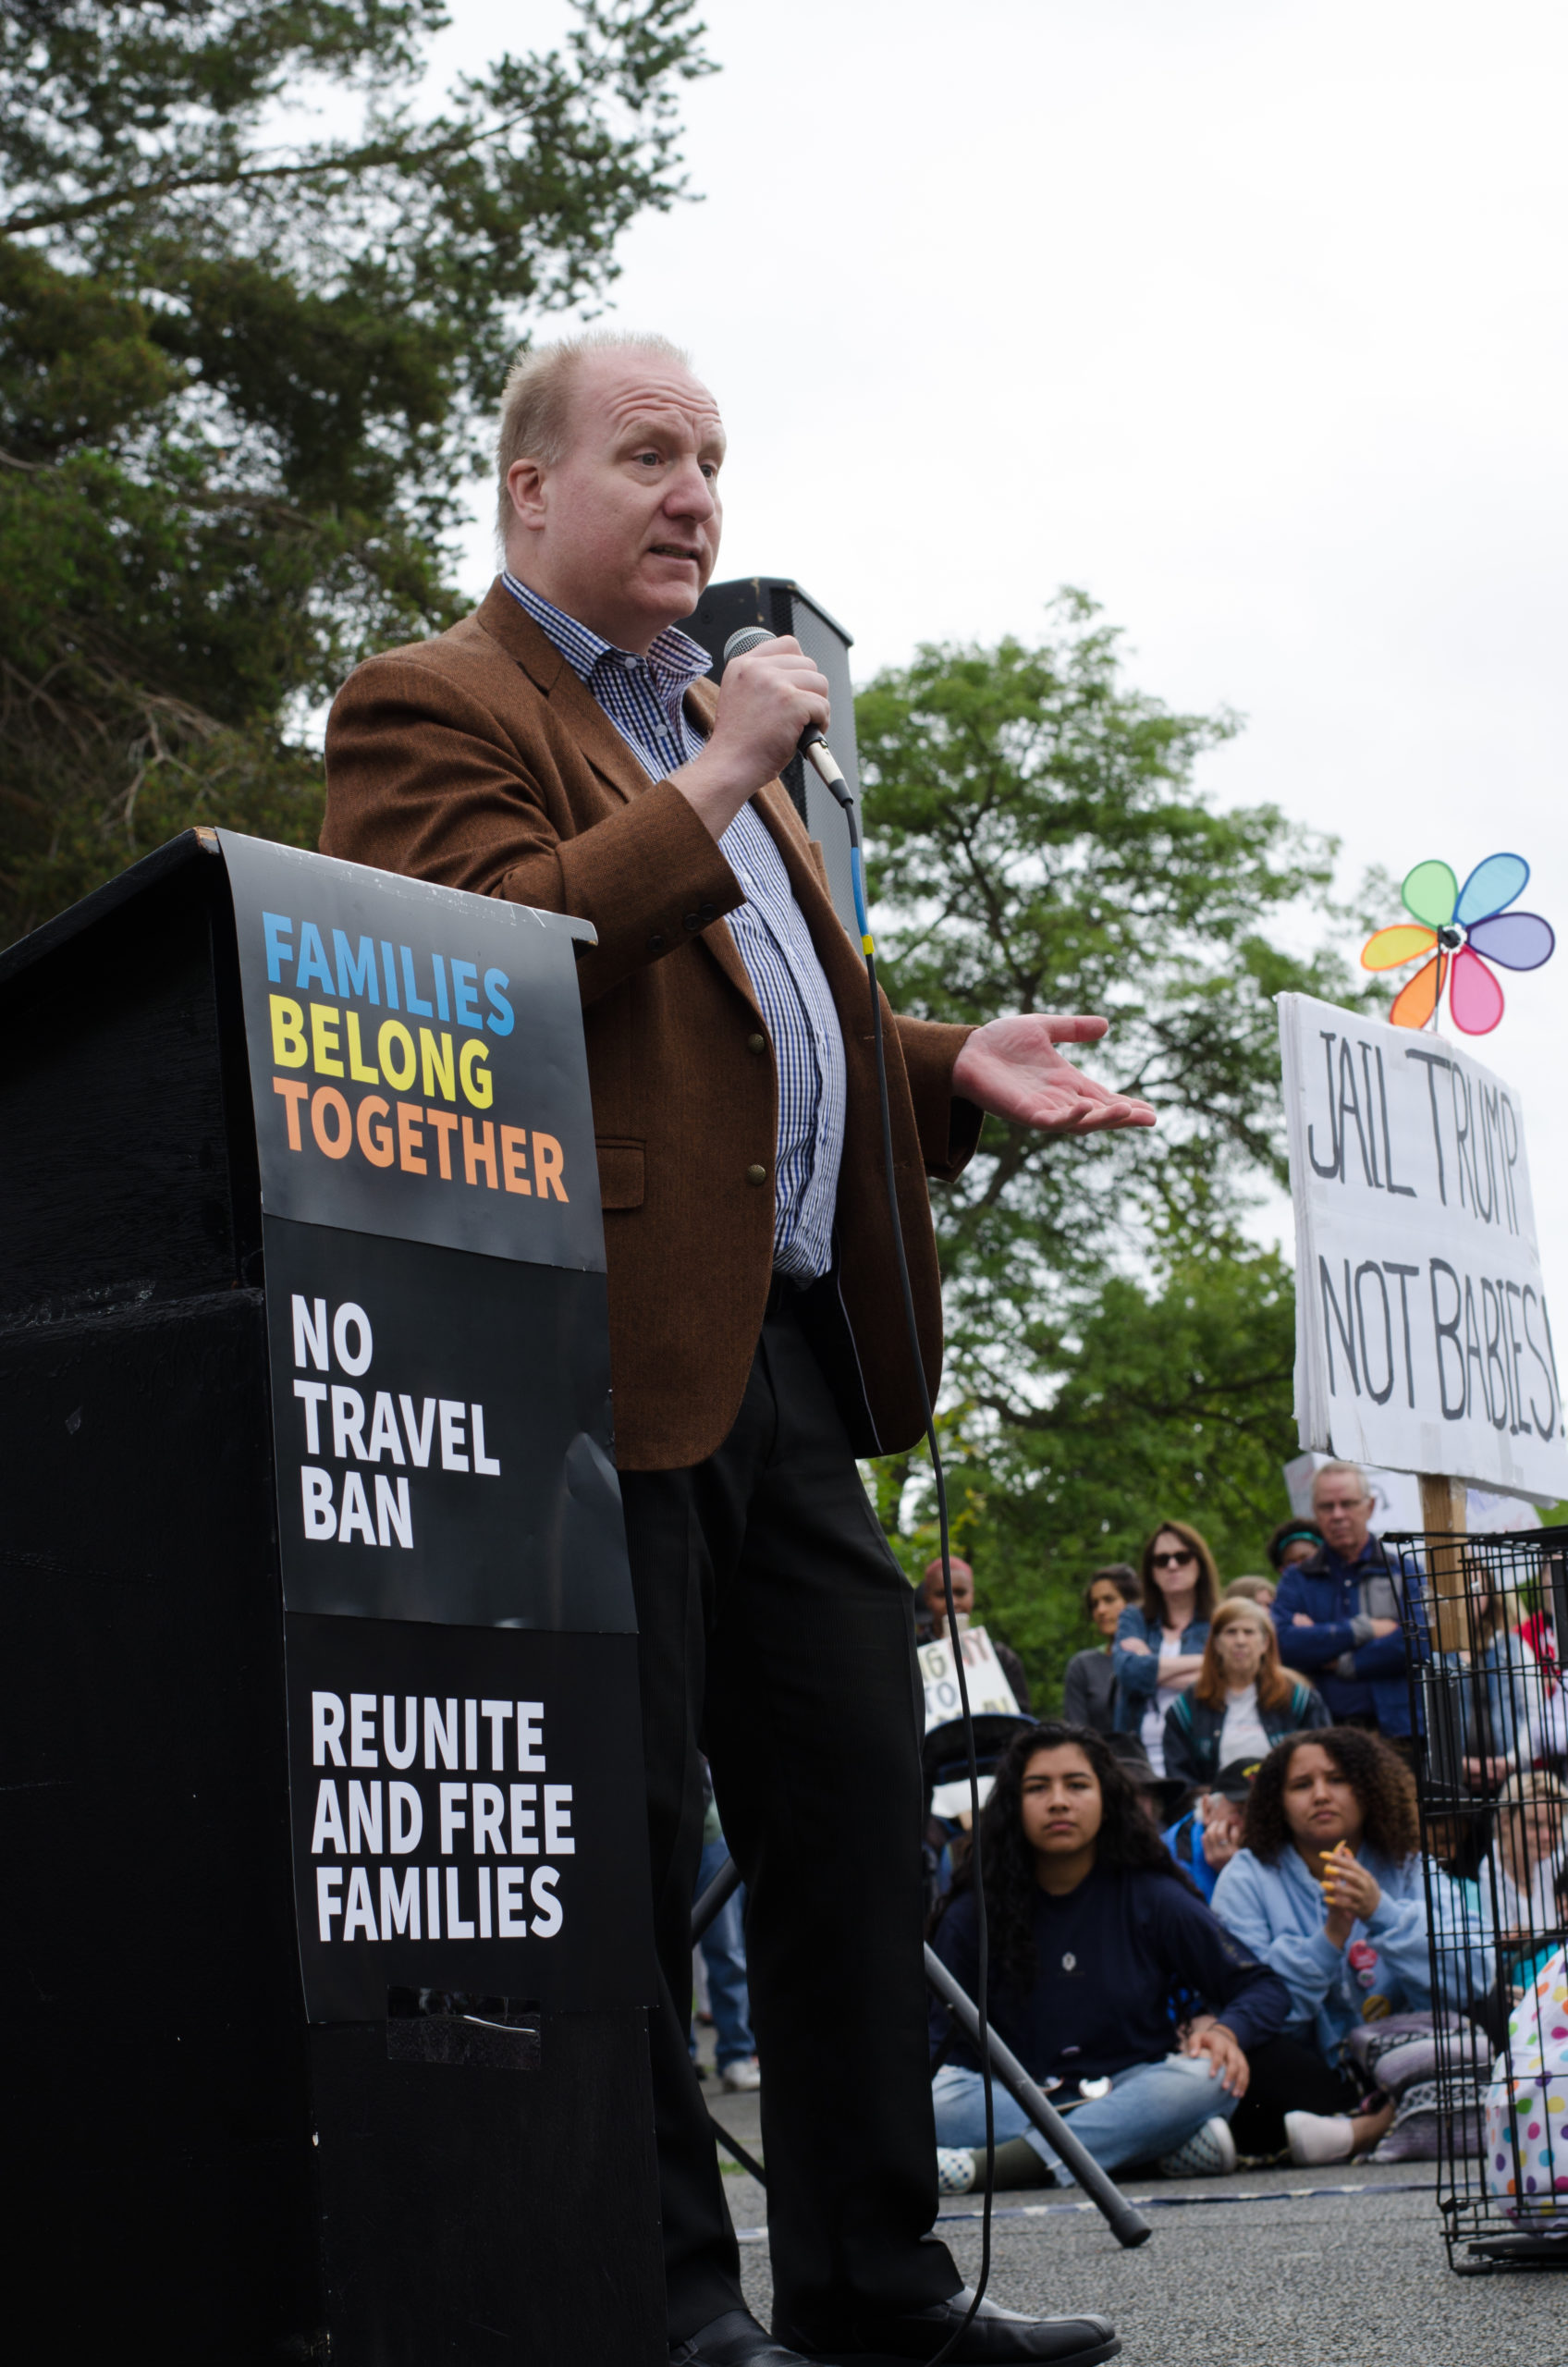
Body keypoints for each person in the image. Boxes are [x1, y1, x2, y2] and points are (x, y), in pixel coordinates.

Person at [321, 331, 1152, 2367]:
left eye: (712, 458)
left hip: (788, 1363)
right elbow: (476, 963)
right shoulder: (436, 701)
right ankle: (674, 2305)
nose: (695, 494)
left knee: (860, 1816)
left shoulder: (704, 725)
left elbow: (763, 1024)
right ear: (528, 491)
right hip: (577, 1358)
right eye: (645, 456)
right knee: (617, 1855)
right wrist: (714, 778)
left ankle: (871, 2285)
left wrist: (953, 1061)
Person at [927, 1723, 1290, 2193]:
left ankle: (987, 2169)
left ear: (1107, 1799)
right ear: (1013, 1804)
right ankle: (1145, 2150)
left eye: (1076, 1785)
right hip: (1011, 2096)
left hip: (1132, 2084)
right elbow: (938, 2046)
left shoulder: (1153, 1895)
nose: (1059, 1801)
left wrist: (1226, 2031)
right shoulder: (971, 1910)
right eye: (1038, 1787)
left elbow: (1261, 1986)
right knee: (932, 2101)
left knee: (1207, 2077)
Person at [1211, 1728, 1480, 2165]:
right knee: (1244, 2056)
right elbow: (1250, 2008)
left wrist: (1381, 1912)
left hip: (1415, 2057)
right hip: (1314, 2072)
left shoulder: (1409, 1864)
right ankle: (1390, 2123)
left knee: (1494, 2014)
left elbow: (1471, 1977)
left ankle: (1357, 2130)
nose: (1320, 1795)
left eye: (1337, 1780)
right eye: (1301, 1785)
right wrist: (1330, 1937)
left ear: (1369, 1787)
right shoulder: (1245, 1878)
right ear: (1277, 1801)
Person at [1270, 1463, 1423, 1748]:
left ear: (1370, 1506)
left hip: (1400, 1735)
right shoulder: (1297, 1578)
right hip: (1321, 1736)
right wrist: (1363, 1630)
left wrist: (1338, 1659)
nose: (1338, 1515)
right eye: (1327, 1506)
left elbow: (1418, 1643)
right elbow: (1283, 1644)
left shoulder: (1403, 1571)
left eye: (1348, 1504)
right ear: (1315, 1512)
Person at [1163, 1600, 1329, 1788]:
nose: (1240, 1641)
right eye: (1231, 1632)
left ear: (1265, 1643)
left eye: (1249, 1632)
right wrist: (1209, 1802)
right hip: (1215, 1810)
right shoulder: (1188, 1705)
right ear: (1216, 1643)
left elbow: (1322, 1760)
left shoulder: (1299, 1699)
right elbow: (1179, 1776)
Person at [1111, 1520, 1219, 1775]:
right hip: (1138, 1759)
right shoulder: (1134, 1618)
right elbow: (1129, 1674)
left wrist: (1151, 1664)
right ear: (1151, 1571)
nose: (1172, 1565)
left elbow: (1228, 1681)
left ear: (1199, 1564)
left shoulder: (1220, 1620)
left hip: (1200, 1757)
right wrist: (1210, 1663)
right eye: (1161, 1560)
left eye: (1182, 1557)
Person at [916, 1555, 1032, 1713]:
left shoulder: (1002, 1658)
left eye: (961, 1593)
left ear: (973, 1595)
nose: (953, 1602)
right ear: (927, 1599)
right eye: (942, 1594)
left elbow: (1021, 1717)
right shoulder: (912, 1656)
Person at [1061, 1567, 1141, 1735]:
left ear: (1134, 1602)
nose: (1101, 1610)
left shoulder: (1161, 1655)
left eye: (1109, 1600)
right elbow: (1076, 1735)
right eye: (1094, 1604)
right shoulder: (1083, 1666)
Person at [1163, 1760, 1255, 1904]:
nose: (1251, 1824)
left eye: (1262, 1811)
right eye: (1240, 1811)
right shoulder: (1171, 1856)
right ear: (1208, 1809)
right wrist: (1233, 1873)